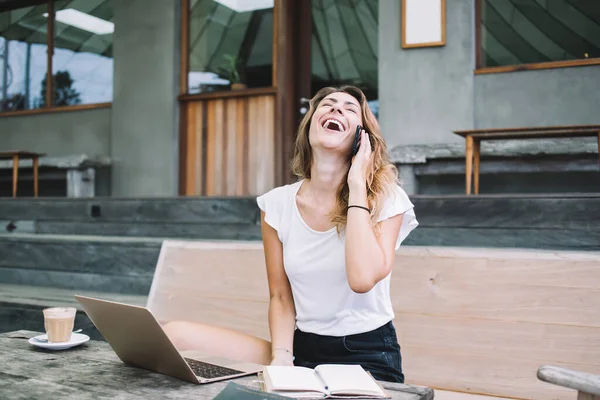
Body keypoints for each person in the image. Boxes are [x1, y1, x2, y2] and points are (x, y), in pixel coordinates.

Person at [163, 85, 418, 383]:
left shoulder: (385, 198)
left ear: (363, 140)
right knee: (174, 335)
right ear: (309, 126)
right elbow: (281, 296)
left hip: (367, 354)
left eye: (350, 109)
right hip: (301, 348)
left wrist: (358, 183)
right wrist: (282, 357)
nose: (336, 109)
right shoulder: (277, 204)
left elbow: (361, 279)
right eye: (327, 105)